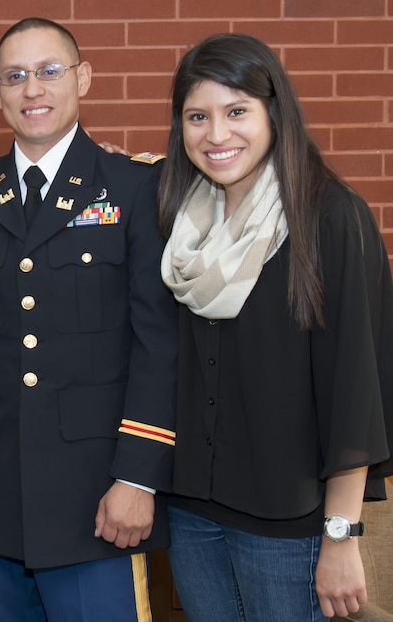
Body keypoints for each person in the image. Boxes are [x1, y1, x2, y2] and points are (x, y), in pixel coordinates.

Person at [0, 17, 178, 622]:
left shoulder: (135, 188)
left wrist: (138, 477)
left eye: (50, 71)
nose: (33, 89)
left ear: (82, 78)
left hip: (96, 496)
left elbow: (158, 346)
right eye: (16, 76)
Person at [158, 33, 393, 622]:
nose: (216, 134)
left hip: (289, 525)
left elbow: (355, 392)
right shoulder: (178, 217)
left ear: (273, 112)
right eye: (197, 116)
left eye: (236, 111)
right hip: (191, 511)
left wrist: (342, 537)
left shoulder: (331, 217)